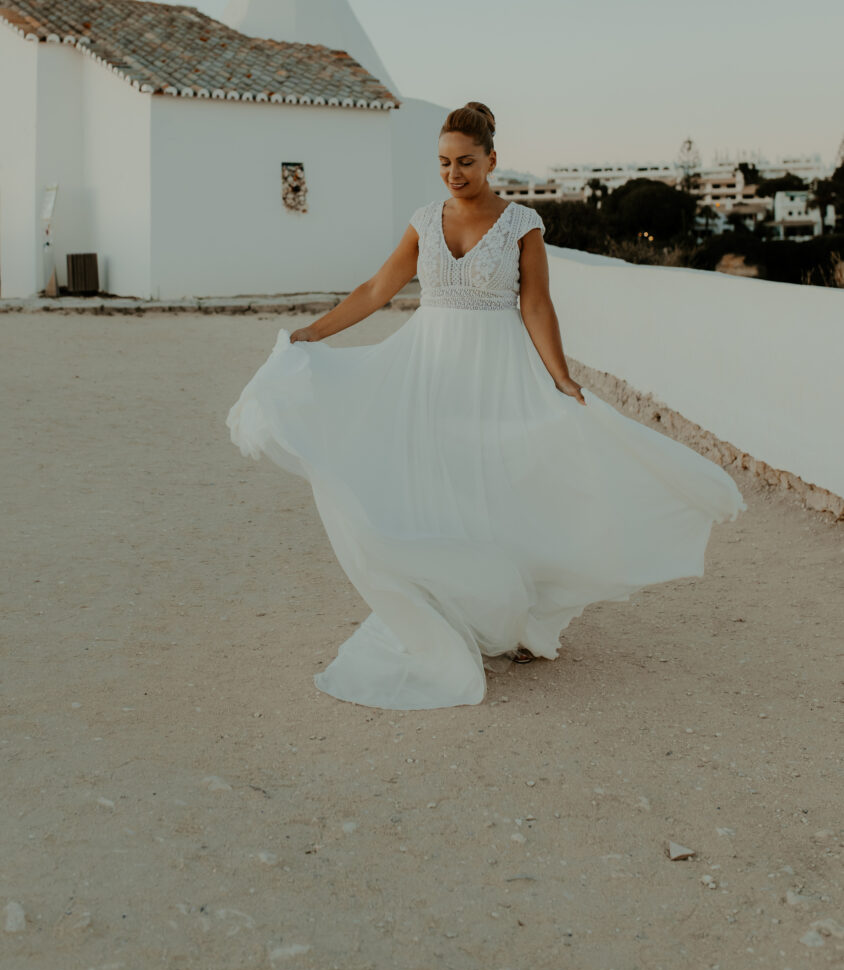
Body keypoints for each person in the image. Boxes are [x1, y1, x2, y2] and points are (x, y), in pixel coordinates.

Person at [227, 101, 746, 710]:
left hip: (496, 373)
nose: (454, 172)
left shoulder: (522, 222)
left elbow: (537, 306)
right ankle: (453, 610)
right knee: (440, 487)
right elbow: (376, 289)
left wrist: (562, 377)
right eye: (444, 162)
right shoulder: (425, 220)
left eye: (466, 162)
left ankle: (518, 620)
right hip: (428, 371)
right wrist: (313, 334)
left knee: (501, 487)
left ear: (492, 160)